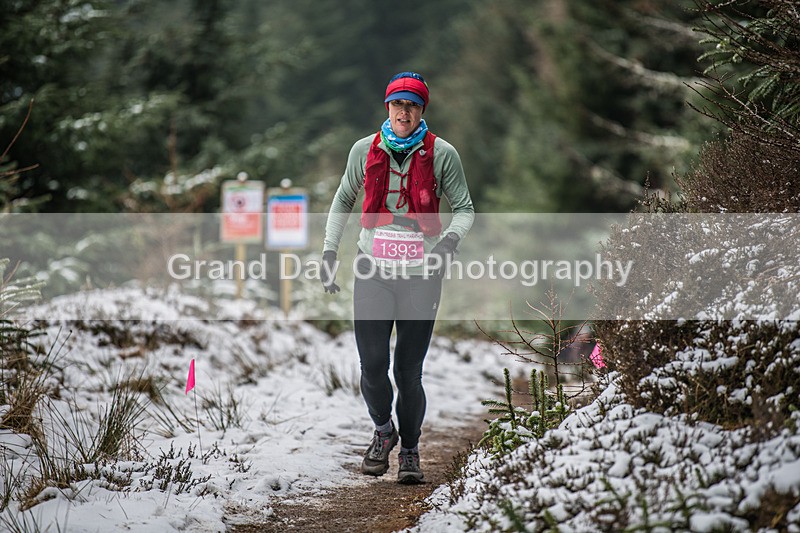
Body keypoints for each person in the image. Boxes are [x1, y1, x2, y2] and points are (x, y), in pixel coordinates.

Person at [321, 71, 474, 484]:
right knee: (372, 364)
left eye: (412, 105)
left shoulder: (443, 154)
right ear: (387, 107)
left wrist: (449, 242)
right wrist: (330, 250)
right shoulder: (362, 150)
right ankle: (384, 432)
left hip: (422, 272)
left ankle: (409, 451)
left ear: (421, 110)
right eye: (397, 104)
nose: (403, 112)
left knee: (409, 370)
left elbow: (465, 208)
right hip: (373, 267)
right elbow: (342, 201)